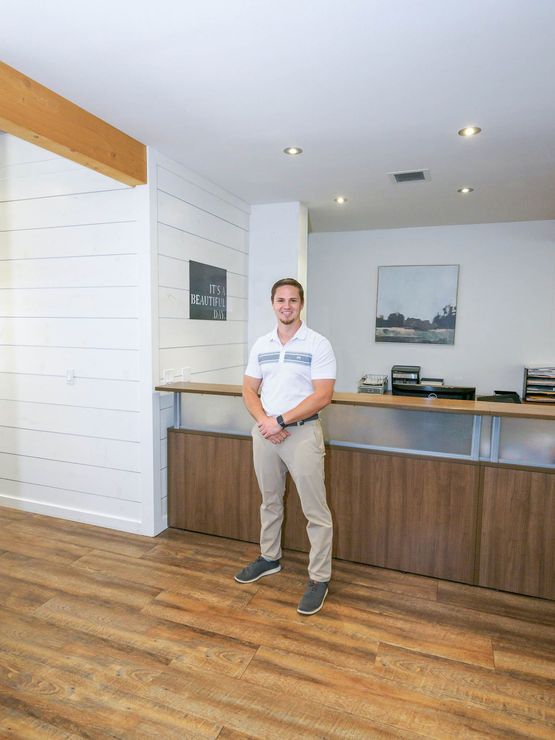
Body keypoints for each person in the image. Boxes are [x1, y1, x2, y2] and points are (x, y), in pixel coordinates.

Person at [235, 278, 336, 615]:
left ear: (301, 304)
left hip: (302, 435)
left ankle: (319, 578)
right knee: (269, 500)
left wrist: (280, 421)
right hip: (265, 434)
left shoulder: (317, 344)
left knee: (315, 511)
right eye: (281, 300)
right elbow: (249, 389)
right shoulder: (261, 344)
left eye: (293, 300)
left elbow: (323, 395)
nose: (287, 306)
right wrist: (266, 420)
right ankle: (269, 558)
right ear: (273, 303)